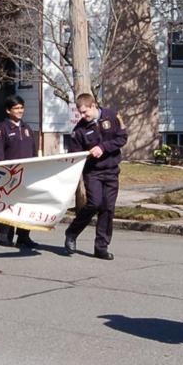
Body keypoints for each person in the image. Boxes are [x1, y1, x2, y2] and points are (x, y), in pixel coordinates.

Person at [64, 93, 128, 260]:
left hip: (111, 169)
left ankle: (101, 247)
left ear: (93, 105)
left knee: (108, 208)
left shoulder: (112, 116)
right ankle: (72, 232)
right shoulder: (79, 130)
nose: (83, 116)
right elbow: (74, 154)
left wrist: (103, 147)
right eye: (80, 113)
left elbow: (122, 138)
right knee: (94, 203)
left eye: (85, 112)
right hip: (93, 172)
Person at [0, 95, 38, 249]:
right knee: (8, 205)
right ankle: (4, 236)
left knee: (26, 205)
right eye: (16, 108)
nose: (20, 111)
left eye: (21, 108)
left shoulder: (26, 128)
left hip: (27, 174)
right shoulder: (2, 129)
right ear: (8, 110)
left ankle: (23, 236)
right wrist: (3, 172)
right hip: (9, 175)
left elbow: (33, 151)